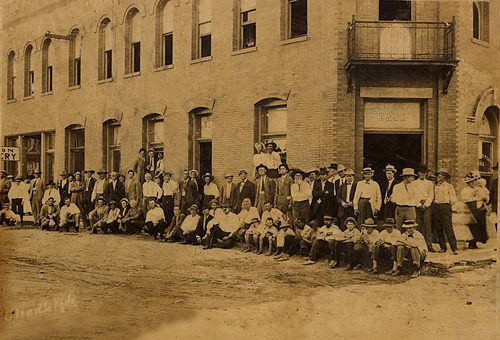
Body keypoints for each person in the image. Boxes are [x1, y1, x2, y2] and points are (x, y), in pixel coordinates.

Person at [432, 169, 459, 254]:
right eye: (438, 174)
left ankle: (454, 248)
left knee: (448, 228)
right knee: (438, 228)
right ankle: (443, 247)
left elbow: (454, 198)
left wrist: (449, 204)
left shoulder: (449, 186)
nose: (439, 176)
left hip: (445, 207)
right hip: (436, 207)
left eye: (442, 174)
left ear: (445, 177)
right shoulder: (435, 187)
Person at [461, 173, 488, 249]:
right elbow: (465, 198)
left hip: (478, 209)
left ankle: (475, 241)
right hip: (470, 208)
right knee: (472, 225)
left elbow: (482, 196)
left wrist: (483, 199)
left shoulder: (478, 189)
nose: (473, 183)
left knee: (479, 225)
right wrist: (474, 197)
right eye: (471, 182)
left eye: (474, 181)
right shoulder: (465, 190)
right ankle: (471, 242)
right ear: (468, 183)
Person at [413, 165, 435, 251]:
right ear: (418, 173)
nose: (423, 174)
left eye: (424, 173)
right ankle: (420, 245)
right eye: (421, 172)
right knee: (419, 225)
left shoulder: (429, 183)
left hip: (427, 206)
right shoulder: (414, 183)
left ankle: (429, 244)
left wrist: (426, 204)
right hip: (417, 206)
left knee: (428, 225)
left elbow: (431, 195)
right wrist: (418, 204)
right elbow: (413, 195)